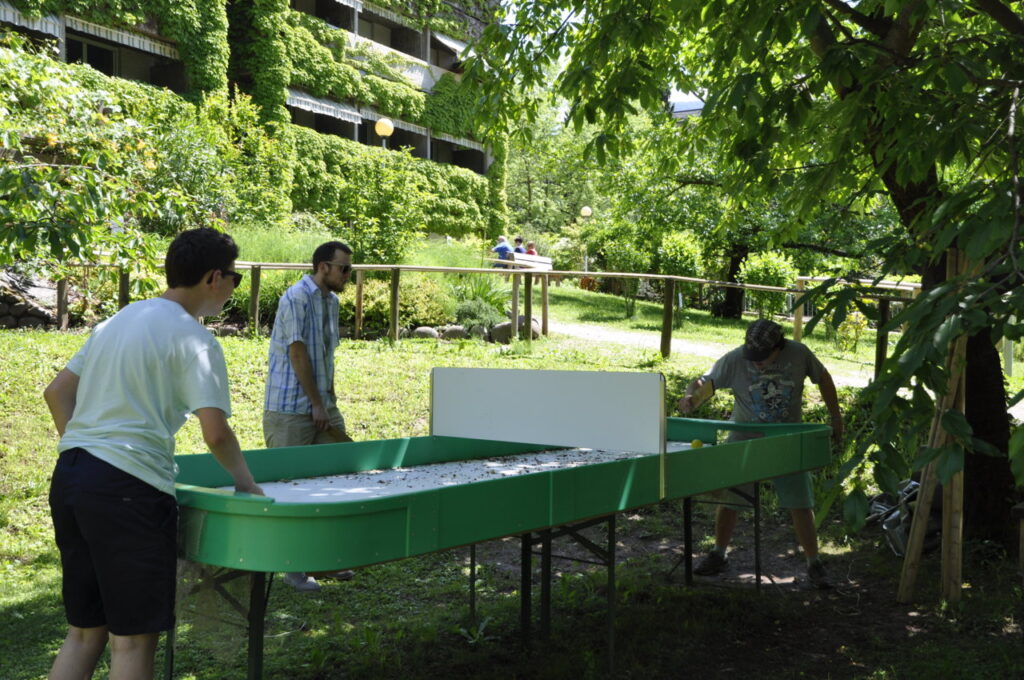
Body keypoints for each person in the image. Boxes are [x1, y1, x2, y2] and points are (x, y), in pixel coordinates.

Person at [43, 228, 263, 680]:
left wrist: (87, 448)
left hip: (71, 478)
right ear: (213, 278)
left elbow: (57, 392)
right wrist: (247, 484)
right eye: (234, 279)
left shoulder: (119, 320)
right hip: (127, 492)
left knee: (85, 632)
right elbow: (216, 434)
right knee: (133, 640)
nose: (232, 289)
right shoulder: (196, 340)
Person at [677, 319, 842, 589]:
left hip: (787, 439)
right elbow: (703, 381)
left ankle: (814, 563)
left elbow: (823, 377)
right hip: (744, 438)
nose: (757, 363)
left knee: (800, 501)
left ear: (780, 347)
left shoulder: (799, 353)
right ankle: (719, 553)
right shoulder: (734, 359)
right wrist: (689, 395)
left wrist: (836, 417)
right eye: (752, 358)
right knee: (731, 496)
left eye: (763, 358)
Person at [264, 240, 355, 592]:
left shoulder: (330, 301)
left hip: (322, 405)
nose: (349, 274)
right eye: (344, 268)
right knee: (290, 489)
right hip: (289, 408)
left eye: (350, 268)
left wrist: (327, 400)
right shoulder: (295, 297)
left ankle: (326, 559)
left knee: (336, 478)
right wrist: (316, 404)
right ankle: (293, 568)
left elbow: (325, 355)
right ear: (322, 267)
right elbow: (297, 354)